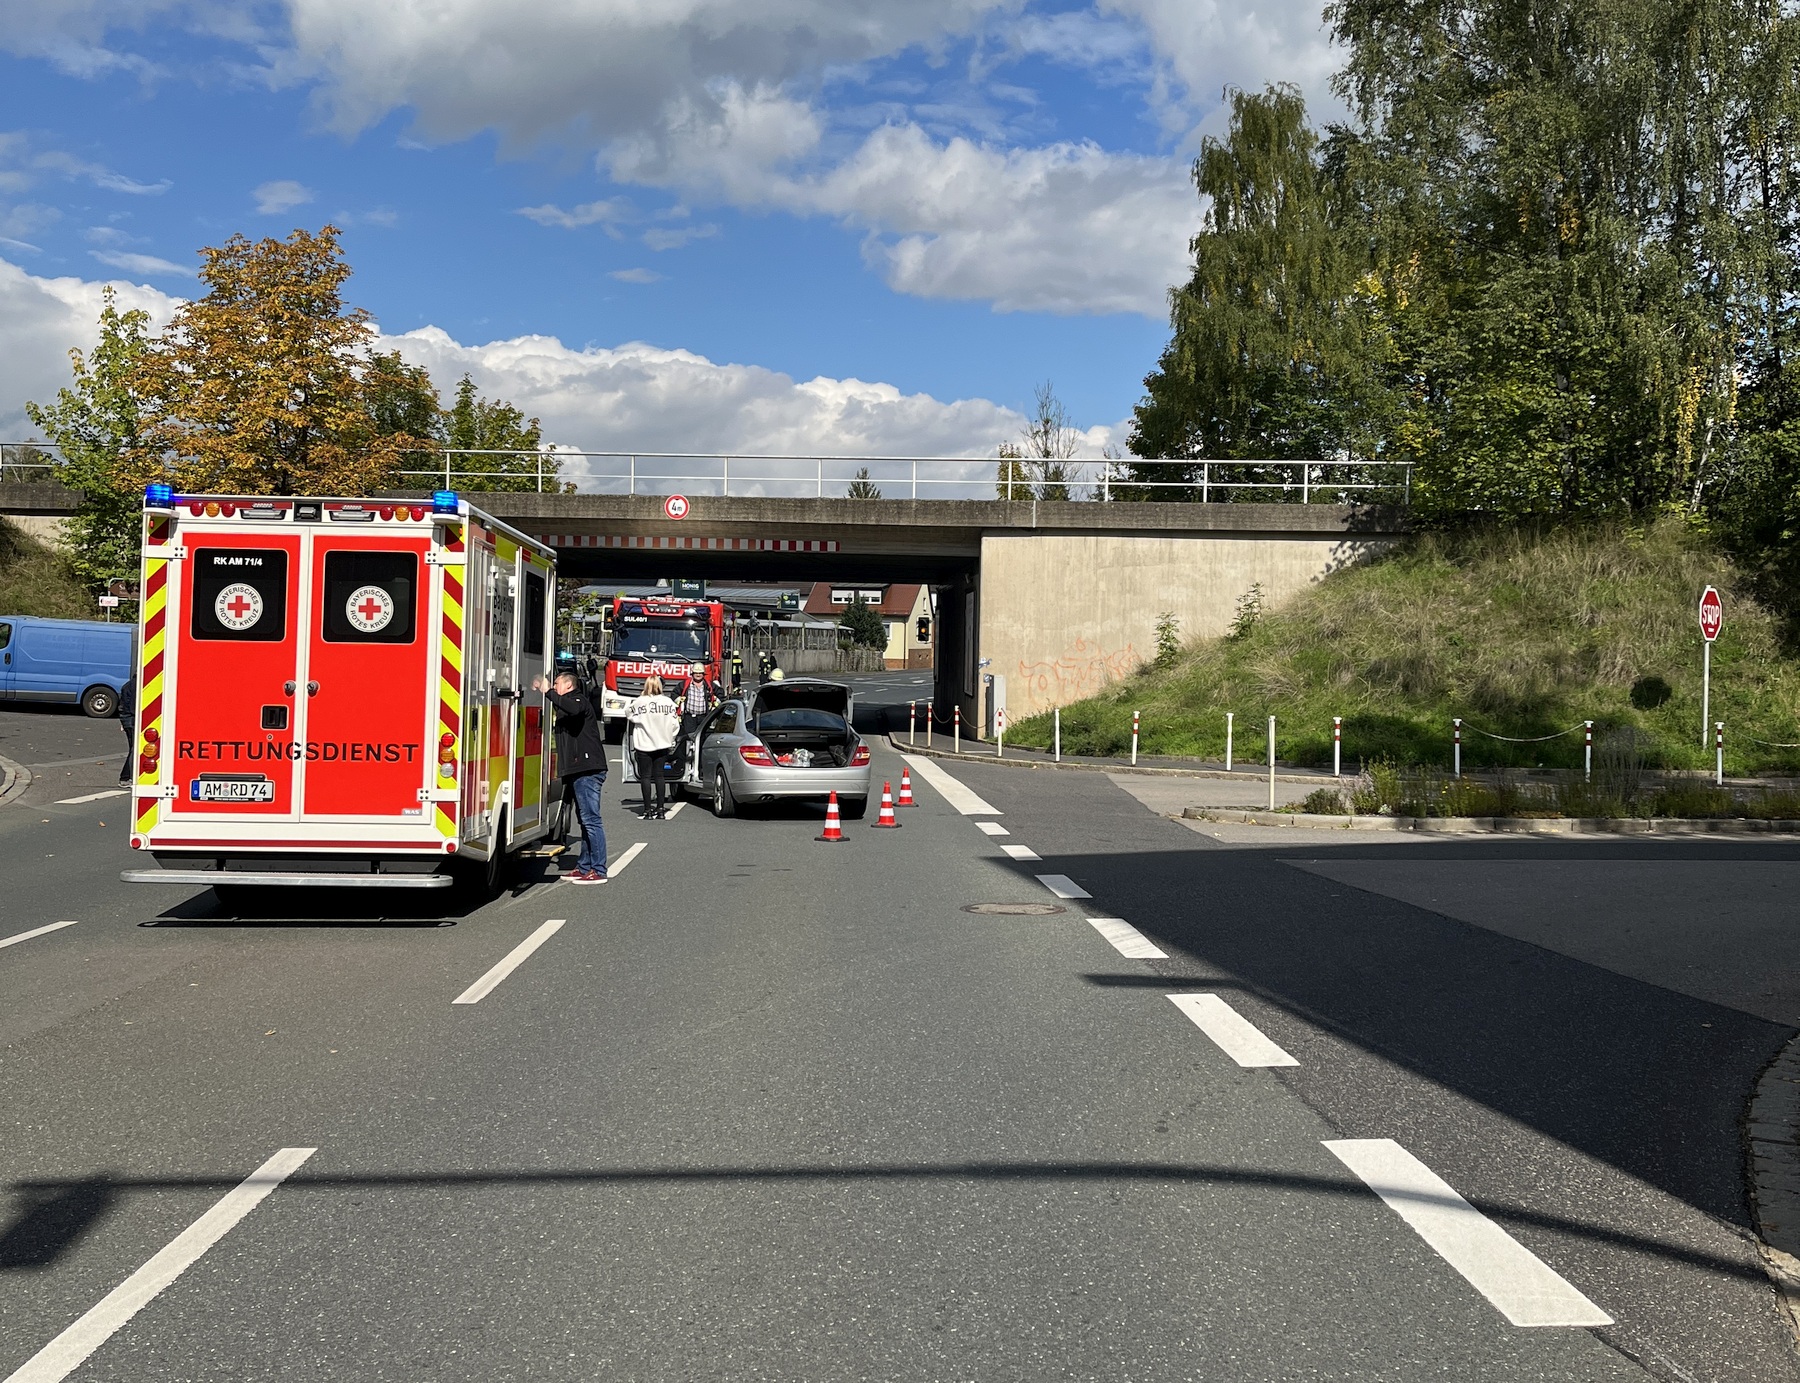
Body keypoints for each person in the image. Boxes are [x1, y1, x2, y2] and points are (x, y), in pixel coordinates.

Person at [532, 668, 609, 884]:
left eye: (557, 684)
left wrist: (548, 692)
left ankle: (599, 869)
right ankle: (584, 867)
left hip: (588, 769)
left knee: (592, 820)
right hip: (577, 770)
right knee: (584, 821)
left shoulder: (578, 700)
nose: (554, 686)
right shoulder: (565, 705)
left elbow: (572, 708)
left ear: (568, 685)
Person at [626, 674, 681, 821]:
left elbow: (628, 714)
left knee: (645, 776)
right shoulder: (668, 702)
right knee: (659, 776)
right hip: (662, 743)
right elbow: (675, 725)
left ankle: (647, 809)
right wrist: (670, 738)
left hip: (644, 744)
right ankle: (661, 809)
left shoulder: (639, 702)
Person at [117, 674, 136, 786]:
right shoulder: (137, 686)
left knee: (132, 749)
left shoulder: (127, 685)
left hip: (126, 719)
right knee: (134, 750)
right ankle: (125, 777)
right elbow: (134, 707)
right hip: (132, 720)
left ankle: (127, 777)